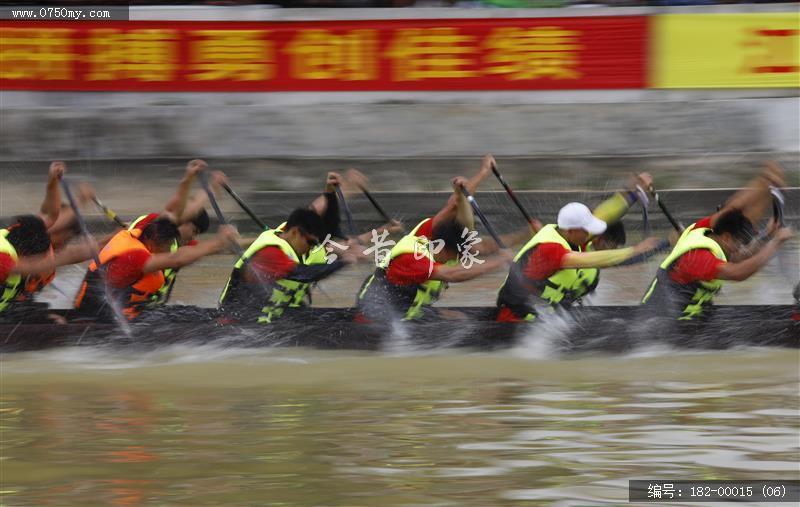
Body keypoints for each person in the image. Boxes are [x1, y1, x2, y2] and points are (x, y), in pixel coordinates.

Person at [355, 157, 516, 322]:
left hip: (407, 310)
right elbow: (454, 274)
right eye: (456, 255)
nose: (459, 259)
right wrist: (499, 261)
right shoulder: (412, 257)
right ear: (445, 249)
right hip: (375, 318)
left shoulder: (436, 233)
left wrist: (478, 177)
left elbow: (458, 208)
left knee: (459, 319)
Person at [496, 174, 662, 322]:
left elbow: (605, 214)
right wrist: (634, 250)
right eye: (586, 229)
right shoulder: (550, 250)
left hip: (545, 317)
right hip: (517, 320)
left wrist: (635, 192)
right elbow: (592, 260)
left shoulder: (569, 234)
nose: (591, 233)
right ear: (571, 231)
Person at [641, 162, 793, 321]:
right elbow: (739, 273)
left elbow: (739, 252)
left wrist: (767, 235)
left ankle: (766, 181)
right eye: (739, 244)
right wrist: (775, 243)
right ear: (726, 237)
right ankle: (766, 181)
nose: (741, 249)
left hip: (690, 319)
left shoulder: (707, 231)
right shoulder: (699, 258)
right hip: (662, 326)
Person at [73, 217, 238, 321]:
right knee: (192, 317)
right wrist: (218, 242)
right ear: (155, 240)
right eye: (168, 245)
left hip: (108, 311)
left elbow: (184, 253)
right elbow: (176, 259)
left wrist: (224, 245)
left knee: (187, 312)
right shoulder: (136, 255)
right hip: (104, 318)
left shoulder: (135, 237)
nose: (169, 250)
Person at [218, 208, 355, 324]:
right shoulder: (271, 251)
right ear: (295, 232)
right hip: (240, 322)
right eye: (310, 243)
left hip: (273, 316)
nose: (312, 249)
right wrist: (345, 261)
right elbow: (304, 274)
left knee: (344, 317)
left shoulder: (291, 243)